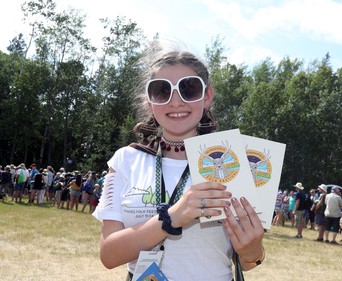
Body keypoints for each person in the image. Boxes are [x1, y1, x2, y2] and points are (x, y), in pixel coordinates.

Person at [92, 46, 265, 280]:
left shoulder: (236, 162)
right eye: (162, 91)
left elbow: (250, 260)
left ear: (207, 96)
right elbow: (109, 255)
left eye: (188, 89)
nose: (175, 102)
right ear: (150, 101)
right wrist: (172, 216)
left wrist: (252, 250)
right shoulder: (126, 159)